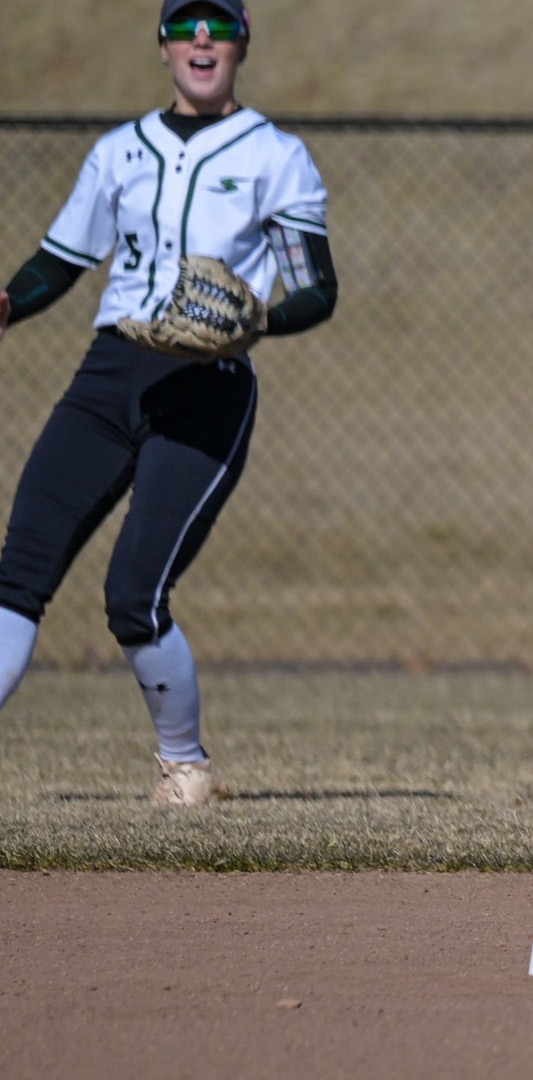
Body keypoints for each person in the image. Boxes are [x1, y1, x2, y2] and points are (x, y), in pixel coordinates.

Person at [0, 0, 336, 804]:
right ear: (162, 46)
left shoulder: (273, 156)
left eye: (217, 28)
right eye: (186, 26)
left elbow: (316, 287)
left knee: (134, 595)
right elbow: (61, 259)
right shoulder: (120, 152)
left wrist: (258, 319)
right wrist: (9, 302)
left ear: (240, 45)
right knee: (18, 575)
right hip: (110, 372)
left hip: (208, 384)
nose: (201, 40)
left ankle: (184, 765)